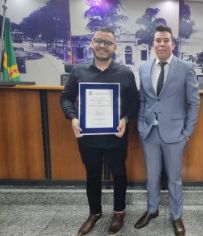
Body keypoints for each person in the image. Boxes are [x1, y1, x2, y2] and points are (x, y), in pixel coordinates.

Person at [60, 27, 139, 236]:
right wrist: (73, 117)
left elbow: (135, 102)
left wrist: (125, 119)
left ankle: (119, 212)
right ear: (92, 43)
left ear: (115, 47)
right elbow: (65, 97)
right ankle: (94, 213)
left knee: (119, 174)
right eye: (98, 41)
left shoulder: (125, 73)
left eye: (107, 42)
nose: (102, 46)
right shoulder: (79, 71)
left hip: (116, 137)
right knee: (92, 175)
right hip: (88, 137)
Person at [135, 25, 200, 236]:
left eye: (165, 40)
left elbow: (194, 102)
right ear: (153, 43)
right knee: (152, 176)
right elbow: (143, 99)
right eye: (157, 40)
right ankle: (152, 210)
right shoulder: (144, 67)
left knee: (174, 178)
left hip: (175, 133)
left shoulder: (185, 68)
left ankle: (176, 216)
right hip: (149, 133)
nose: (161, 44)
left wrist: (187, 131)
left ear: (173, 43)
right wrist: (140, 124)